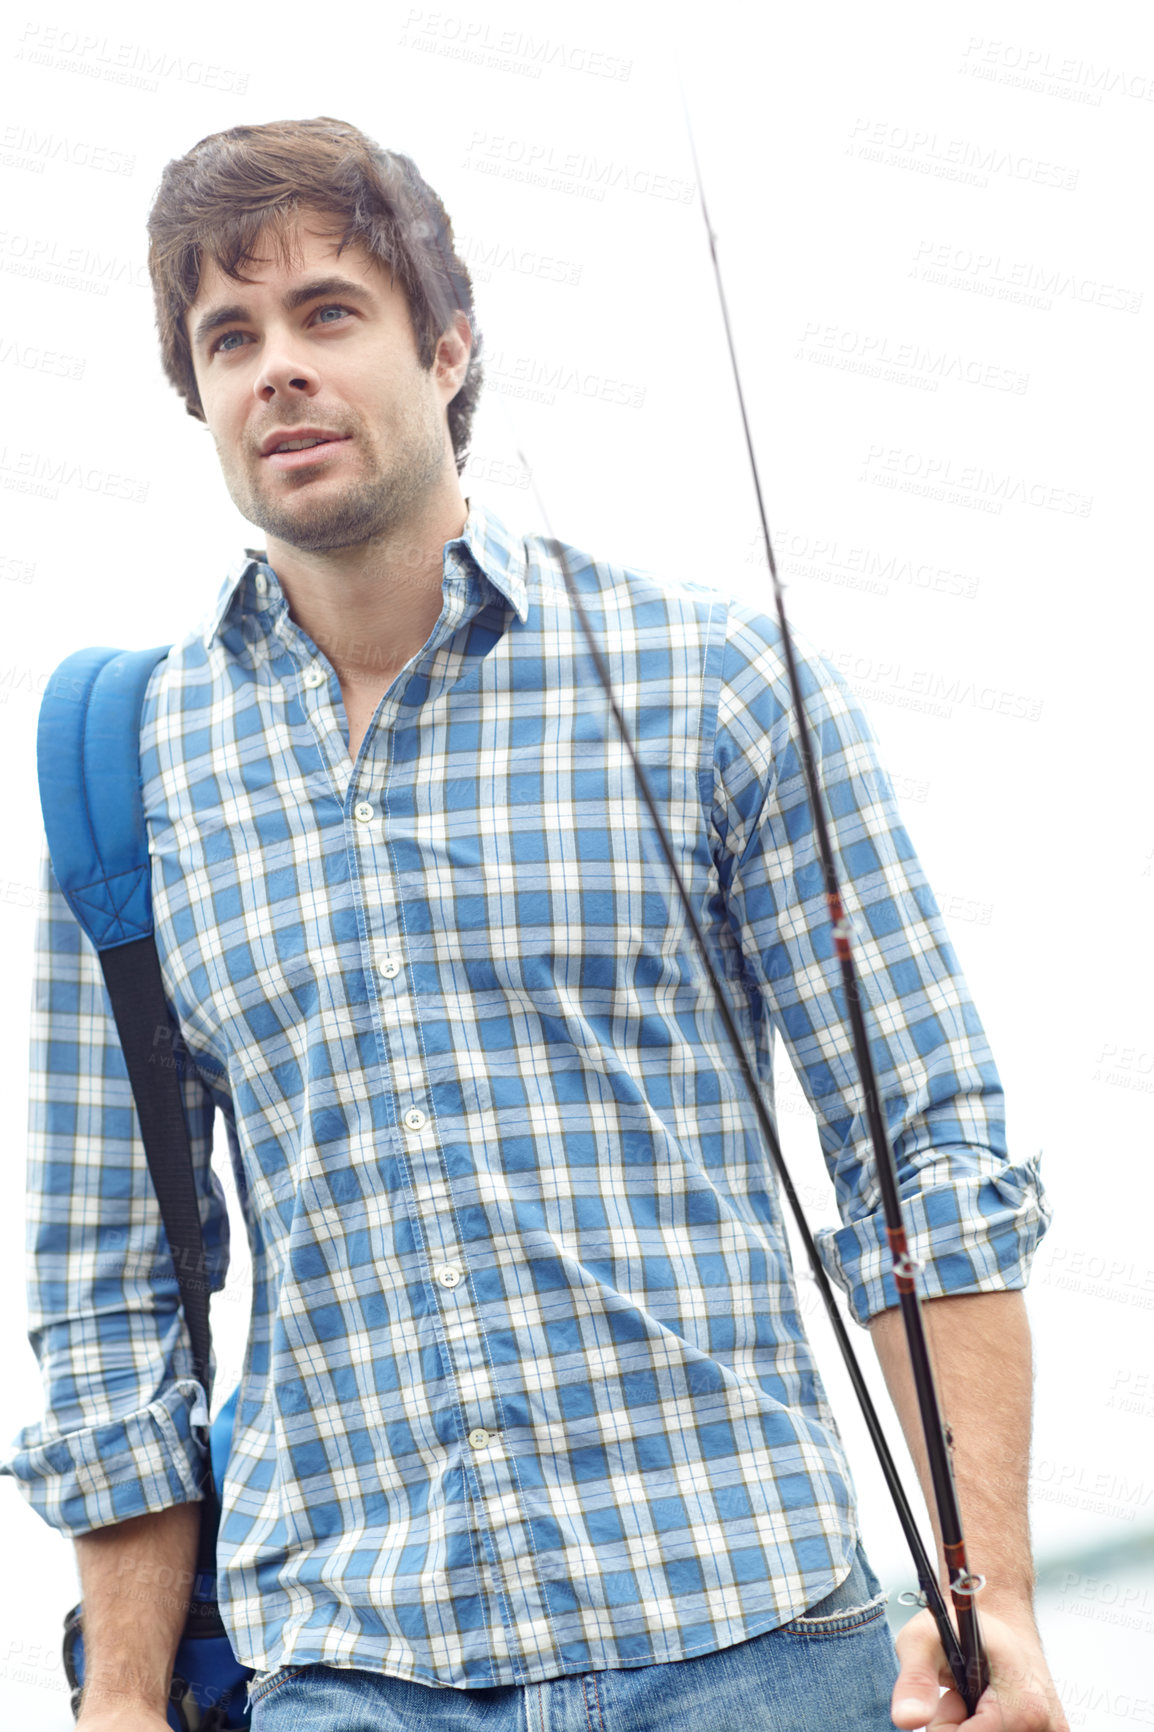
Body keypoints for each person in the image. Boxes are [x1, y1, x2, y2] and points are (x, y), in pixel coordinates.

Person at [1, 117, 1066, 1731]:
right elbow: (110, 1285)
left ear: (447, 347)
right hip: (349, 1669)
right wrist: (123, 1701)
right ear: (200, 399)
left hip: (750, 1641)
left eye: (328, 313)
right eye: (231, 338)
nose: (277, 367)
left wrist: (992, 1605)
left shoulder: (714, 682)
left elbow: (922, 1159)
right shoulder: (128, 771)